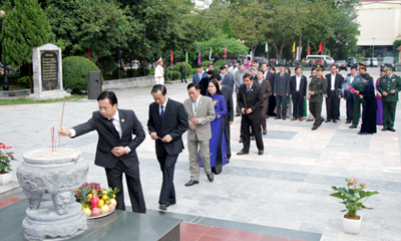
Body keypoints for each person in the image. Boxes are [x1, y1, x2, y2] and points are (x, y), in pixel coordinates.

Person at [59, 91, 146, 213]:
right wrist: (69, 132)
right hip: (111, 161)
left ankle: (140, 214)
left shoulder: (129, 115)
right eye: (100, 108)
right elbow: (85, 127)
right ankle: (120, 216)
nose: (102, 111)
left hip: (129, 159)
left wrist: (126, 149)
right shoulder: (97, 117)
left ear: (115, 105)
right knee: (115, 192)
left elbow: (141, 135)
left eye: (106, 108)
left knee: (136, 189)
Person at [147, 85, 188, 211]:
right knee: (166, 172)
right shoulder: (152, 107)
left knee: (167, 169)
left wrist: (172, 135)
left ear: (165, 94)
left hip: (173, 145)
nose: (157, 101)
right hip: (160, 145)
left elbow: (184, 125)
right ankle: (171, 198)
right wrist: (152, 132)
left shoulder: (177, 106)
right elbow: (150, 123)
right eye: (155, 99)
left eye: (159, 98)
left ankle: (163, 201)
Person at [183, 83, 215, 186]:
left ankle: (208, 171)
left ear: (198, 91)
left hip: (203, 132)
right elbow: (183, 118)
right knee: (192, 156)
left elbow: (212, 116)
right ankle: (194, 177)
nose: (191, 95)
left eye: (193, 93)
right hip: (192, 133)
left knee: (204, 155)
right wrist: (188, 123)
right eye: (189, 93)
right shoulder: (186, 103)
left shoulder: (207, 100)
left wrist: (200, 120)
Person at [200, 80, 227, 174]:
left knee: (216, 142)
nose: (210, 88)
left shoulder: (221, 97)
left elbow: (224, 111)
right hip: (208, 123)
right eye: (209, 86)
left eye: (212, 86)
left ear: (216, 87)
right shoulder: (206, 98)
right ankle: (207, 163)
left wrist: (215, 115)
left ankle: (216, 163)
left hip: (217, 123)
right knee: (207, 142)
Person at [237, 73, 264, 155]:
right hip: (245, 114)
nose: (246, 83)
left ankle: (260, 148)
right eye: (244, 81)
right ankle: (245, 149)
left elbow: (260, 101)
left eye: (247, 81)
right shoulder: (242, 87)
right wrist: (241, 107)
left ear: (252, 80)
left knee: (256, 132)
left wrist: (252, 109)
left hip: (254, 114)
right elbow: (239, 99)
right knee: (245, 132)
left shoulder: (258, 87)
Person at [215, 75, 234, 163]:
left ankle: (227, 154)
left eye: (216, 81)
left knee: (226, 137)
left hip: (225, 118)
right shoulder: (210, 91)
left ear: (220, 81)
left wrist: (231, 118)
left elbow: (230, 105)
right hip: (214, 120)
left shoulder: (227, 90)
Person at [378, 64, 401, 132]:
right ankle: (385, 125)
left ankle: (391, 125)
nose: (385, 72)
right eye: (384, 71)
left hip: (393, 98)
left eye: (386, 71)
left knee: (392, 112)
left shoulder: (397, 78)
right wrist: (382, 92)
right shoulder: (382, 78)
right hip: (385, 98)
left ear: (391, 70)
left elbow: (400, 86)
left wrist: (395, 91)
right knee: (385, 111)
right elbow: (379, 87)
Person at [309, 65, 327, 130]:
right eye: (316, 70)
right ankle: (320, 118)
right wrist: (310, 91)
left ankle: (316, 124)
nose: (317, 72)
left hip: (318, 98)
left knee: (317, 111)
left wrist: (315, 92)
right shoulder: (314, 77)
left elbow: (323, 90)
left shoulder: (323, 79)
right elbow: (310, 85)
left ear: (321, 72)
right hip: (312, 97)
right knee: (311, 109)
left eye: (318, 71)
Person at [349, 64, 366, 129]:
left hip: (364, 96)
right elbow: (352, 84)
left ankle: (365, 123)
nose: (359, 70)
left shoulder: (369, 77)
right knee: (356, 110)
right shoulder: (357, 77)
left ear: (364, 69)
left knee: (365, 111)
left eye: (360, 69)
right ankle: (355, 123)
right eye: (358, 69)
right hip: (357, 96)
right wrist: (352, 89)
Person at [255, 69, 272, 134]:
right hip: (256, 102)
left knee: (262, 115)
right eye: (257, 74)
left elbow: (269, 92)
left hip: (263, 101)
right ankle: (256, 129)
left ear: (263, 75)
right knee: (256, 116)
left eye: (260, 74)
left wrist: (262, 96)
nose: (258, 75)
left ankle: (264, 128)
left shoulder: (266, 82)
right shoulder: (254, 82)